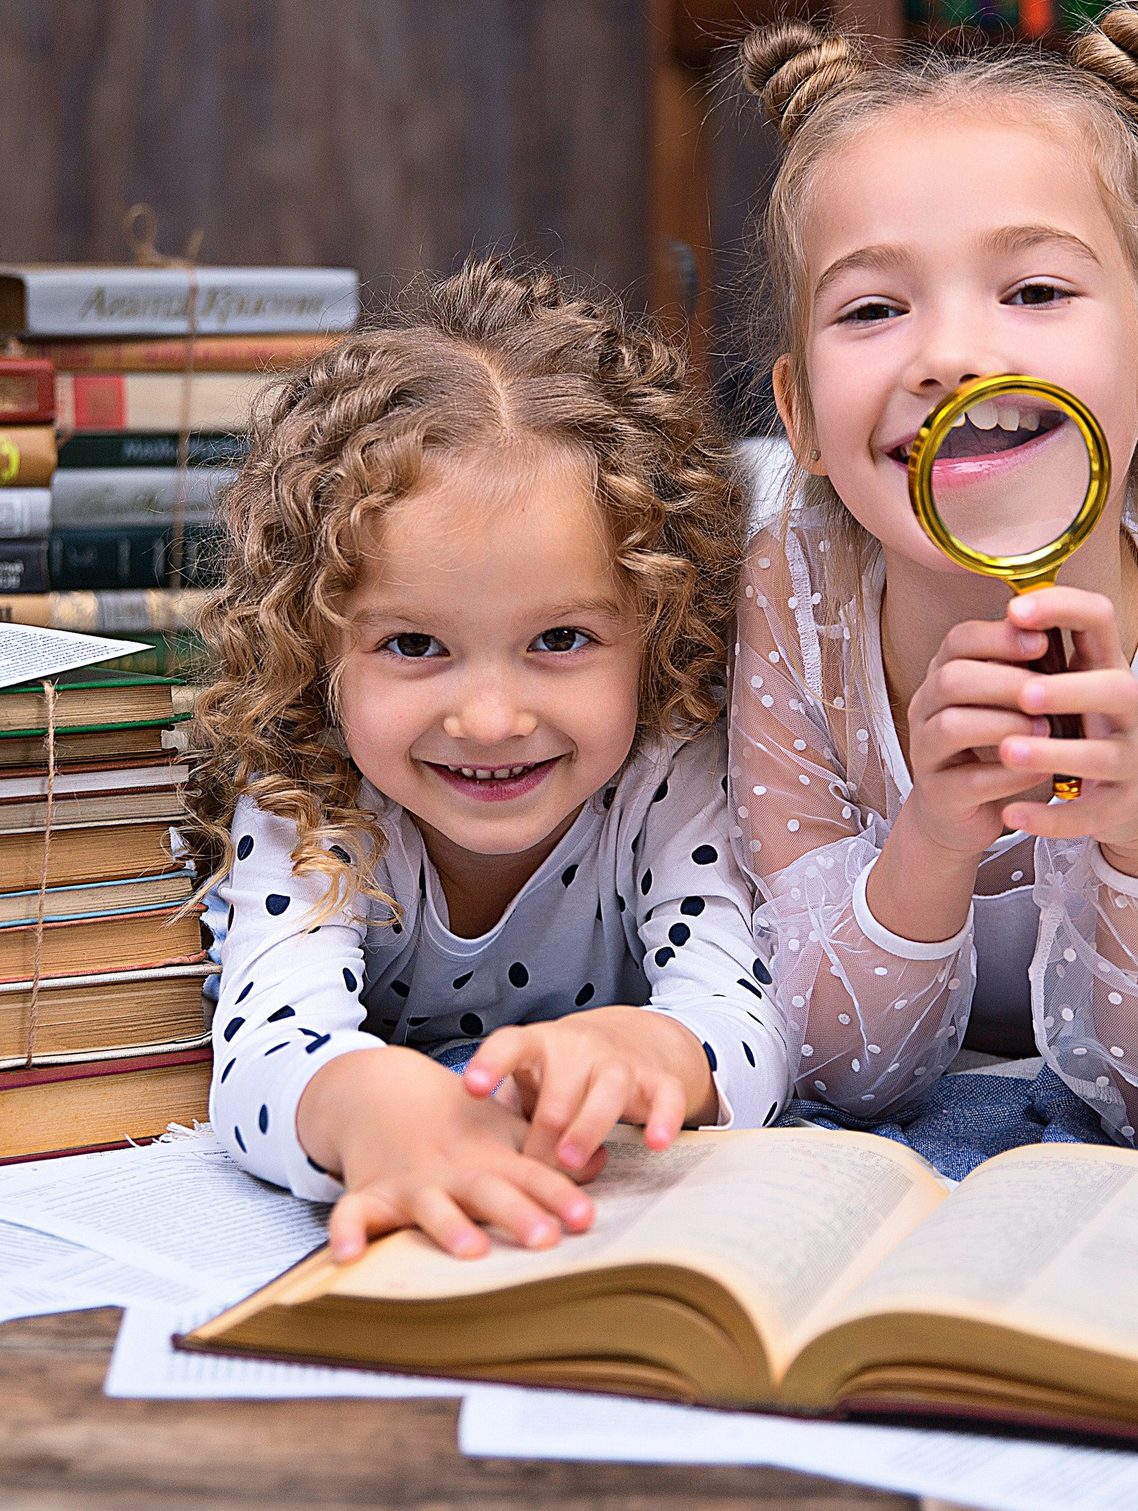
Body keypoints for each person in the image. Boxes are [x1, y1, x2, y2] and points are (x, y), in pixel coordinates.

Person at [731, 0, 1138, 1150]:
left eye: (1033, 290)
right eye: (872, 308)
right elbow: (836, 1073)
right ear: (804, 422)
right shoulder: (787, 595)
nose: (952, 352)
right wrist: (931, 834)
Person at [192, 261, 790, 1263]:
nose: (490, 717)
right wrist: (361, 1105)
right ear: (315, 644)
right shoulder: (312, 787)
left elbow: (747, 1014)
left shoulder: (667, 766)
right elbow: (262, 1049)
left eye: (559, 639)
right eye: (414, 645)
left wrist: (655, 1052)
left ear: (656, 624)